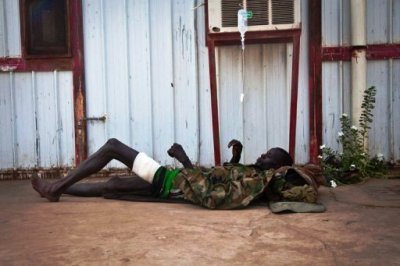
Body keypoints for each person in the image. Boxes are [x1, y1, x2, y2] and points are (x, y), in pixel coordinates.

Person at [32, 138, 326, 211]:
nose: (261, 156)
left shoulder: (259, 180)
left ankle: (56, 187)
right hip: (171, 183)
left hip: (170, 181)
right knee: (112, 184)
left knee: (112, 147)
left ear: (275, 167)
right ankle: (56, 189)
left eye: (267, 157)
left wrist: (183, 157)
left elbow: (209, 186)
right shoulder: (253, 173)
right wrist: (236, 156)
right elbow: (224, 175)